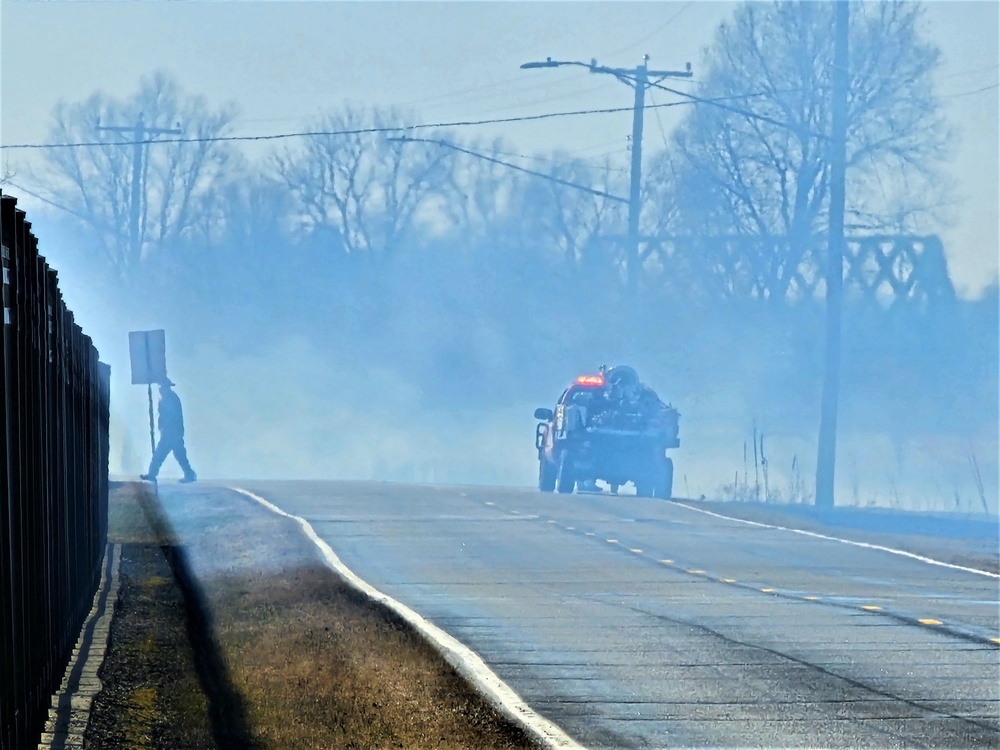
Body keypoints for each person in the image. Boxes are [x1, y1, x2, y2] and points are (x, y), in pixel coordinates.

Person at [140, 378, 197, 483]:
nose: (160, 389)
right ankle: (189, 474)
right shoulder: (168, 398)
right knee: (179, 455)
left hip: (171, 432)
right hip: (171, 432)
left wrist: (166, 429)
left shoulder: (170, 399)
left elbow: (170, 416)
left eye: (162, 387)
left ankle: (152, 474)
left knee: (160, 454)